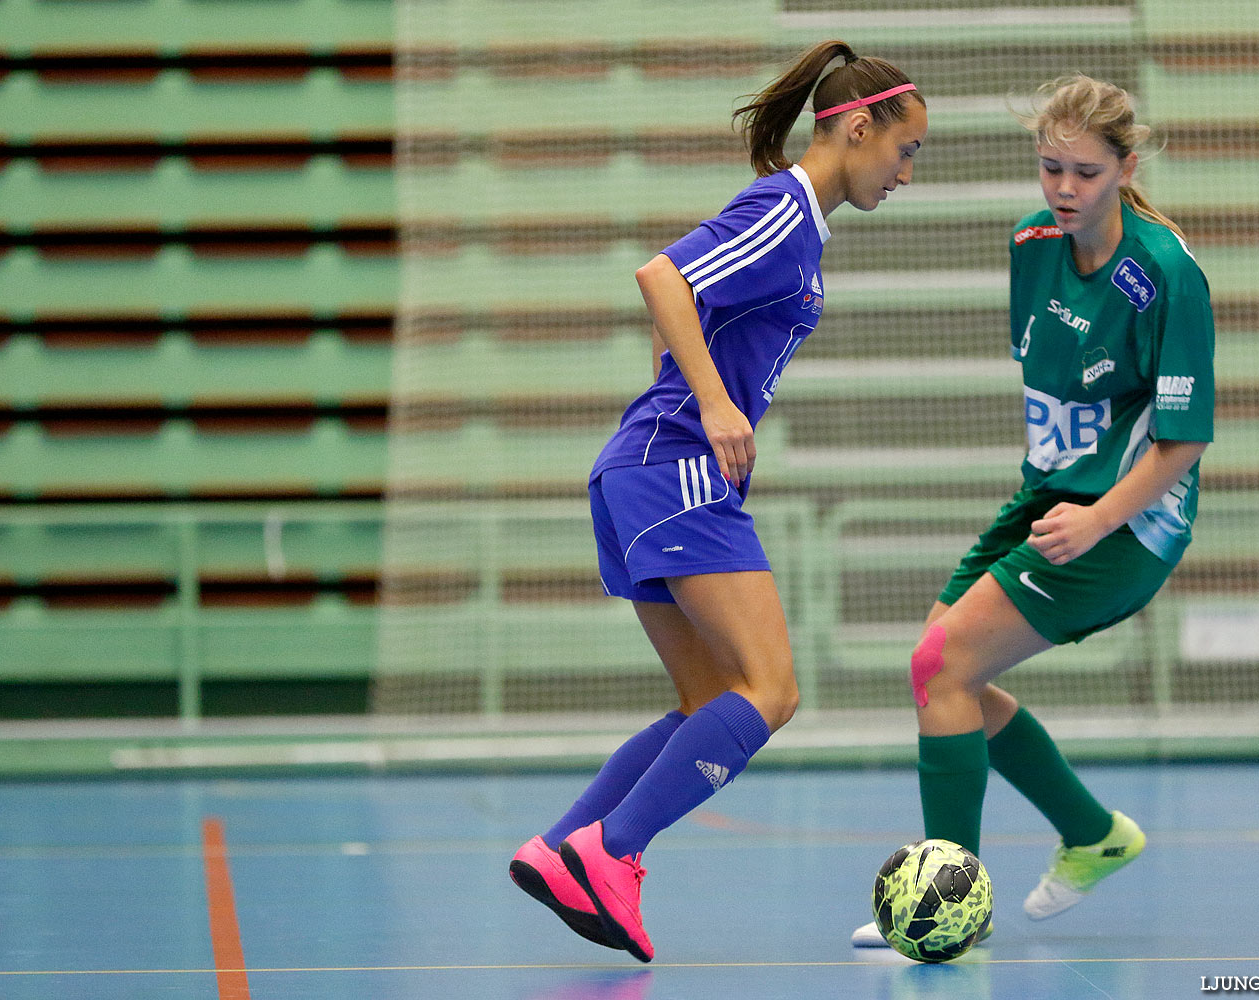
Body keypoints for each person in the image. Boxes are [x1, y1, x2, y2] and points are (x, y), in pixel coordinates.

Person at [509, 40, 928, 963]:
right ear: (857, 127)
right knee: (770, 692)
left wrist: (703, 402)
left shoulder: (802, 228)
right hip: (673, 466)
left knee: (709, 699)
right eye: (905, 152)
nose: (907, 173)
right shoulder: (785, 207)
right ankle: (610, 851)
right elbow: (664, 279)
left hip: (645, 468)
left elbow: (688, 321)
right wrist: (713, 405)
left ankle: (562, 844)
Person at [852, 73, 1215, 947]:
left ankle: (949, 903)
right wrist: (1059, 501)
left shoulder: (1166, 274)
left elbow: (1182, 441)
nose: (1063, 189)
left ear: (1125, 169)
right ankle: (1093, 835)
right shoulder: (1030, 242)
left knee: (943, 664)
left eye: (1085, 173)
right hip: (1049, 494)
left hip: (1128, 523)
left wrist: (1097, 520)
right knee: (940, 672)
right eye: (1049, 167)